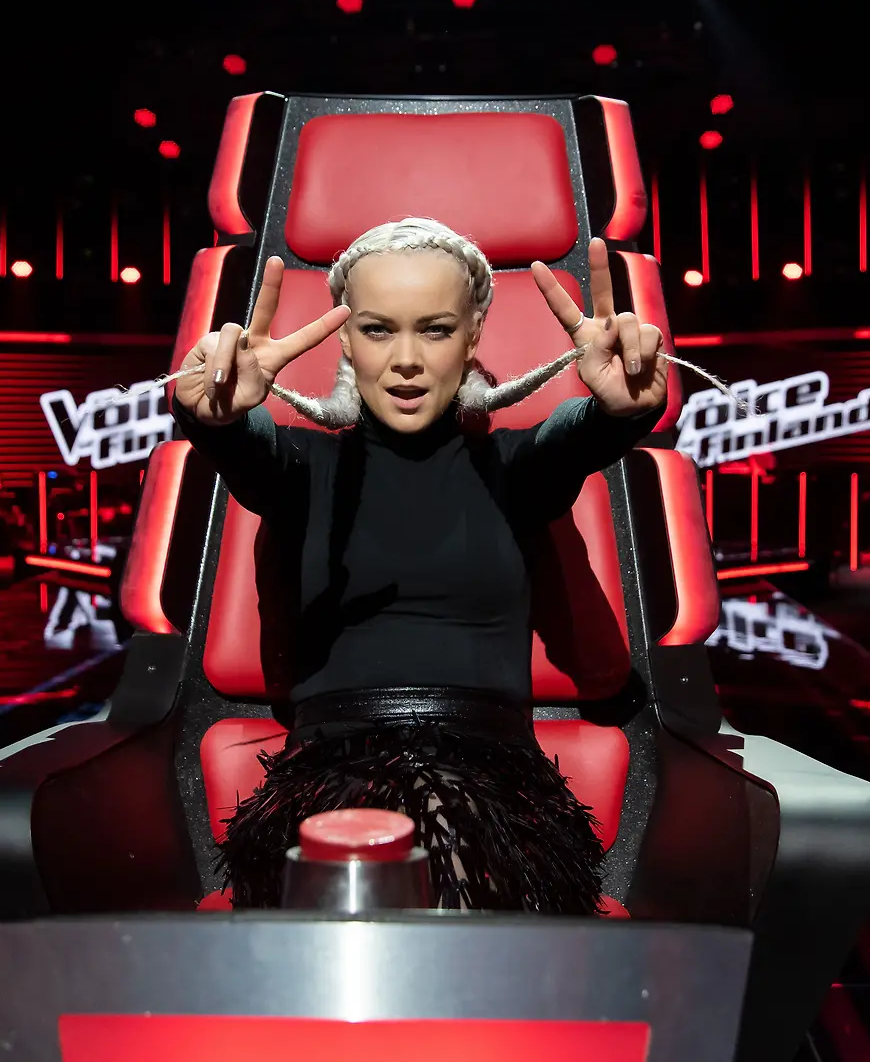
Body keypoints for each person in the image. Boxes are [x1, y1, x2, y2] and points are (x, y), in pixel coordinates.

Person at [170, 217, 668, 913]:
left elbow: (572, 438)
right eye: (378, 330)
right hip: (327, 786)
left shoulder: (515, 468)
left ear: (473, 335)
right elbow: (246, 446)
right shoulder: (300, 469)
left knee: (446, 833)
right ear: (346, 340)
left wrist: (619, 412)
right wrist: (215, 415)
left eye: (435, 330)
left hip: (494, 793)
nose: (406, 359)